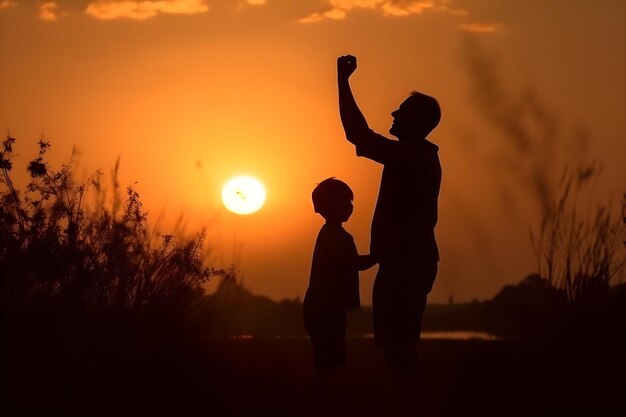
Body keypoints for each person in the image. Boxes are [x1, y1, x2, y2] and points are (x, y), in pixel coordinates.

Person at [336, 54, 442, 410]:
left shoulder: (412, 156)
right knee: (400, 349)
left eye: (401, 111)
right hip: (403, 264)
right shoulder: (417, 157)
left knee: (401, 350)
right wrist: (374, 257)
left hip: (405, 268)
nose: (393, 115)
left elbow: (358, 135)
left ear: (417, 122)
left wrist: (343, 80)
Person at [302, 177, 377, 404]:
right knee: (328, 365)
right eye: (346, 201)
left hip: (323, 309)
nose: (350, 206)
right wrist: (381, 255)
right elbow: (352, 263)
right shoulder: (335, 236)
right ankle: (315, 405)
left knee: (328, 365)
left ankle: (318, 403)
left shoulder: (330, 235)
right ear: (329, 206)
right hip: (325, 310)